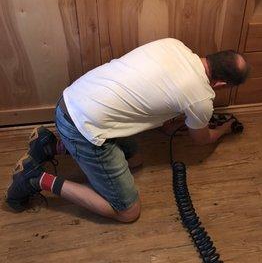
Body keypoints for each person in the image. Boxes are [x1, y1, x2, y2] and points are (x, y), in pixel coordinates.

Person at [5, 38, 249, 222]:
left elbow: (154, 90)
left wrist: (173, 123)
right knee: (127, 211)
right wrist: (225, 129)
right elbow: (202, 139)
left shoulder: (174, 45)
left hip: (69, 101)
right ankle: (35, 179)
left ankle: (49, 146)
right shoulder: (200, 99)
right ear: (222, 84)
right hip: (83, 128)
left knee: (136, 159)